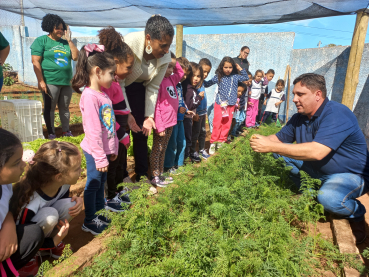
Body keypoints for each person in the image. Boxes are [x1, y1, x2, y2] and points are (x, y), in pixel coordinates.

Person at [250, 73, 369, 245]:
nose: (294, 99)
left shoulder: (336, 113)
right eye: (294, 94)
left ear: (318, 95)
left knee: (329, 199)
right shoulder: (300, 117)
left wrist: (271, 146)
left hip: (350, 175)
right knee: (278, 153)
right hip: (318, 169)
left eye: (300, 94)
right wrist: (258, 140)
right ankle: (310, 193)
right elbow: (277, 140)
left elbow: (317, 152)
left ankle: (356, 213)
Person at [71, 44, 118, 235]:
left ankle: (99, 212)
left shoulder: (102, 94)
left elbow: (109, 125)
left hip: (103, 152)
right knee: (93, 184)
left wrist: (112, 150)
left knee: (101, 182)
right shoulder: (90, 96)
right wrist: (100, 157)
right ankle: (89, 219)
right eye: (111, 73)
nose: (114, 77)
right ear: (98, 71)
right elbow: (93, 130)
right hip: (93, 150)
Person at [11, 141, 83, 263]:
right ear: (59, 176)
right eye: (77, 169)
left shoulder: (63, 184)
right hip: (24, 239)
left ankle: (49, 248)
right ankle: (31, 254)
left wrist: (78, 199)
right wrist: (53, 241)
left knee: (70, 205)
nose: (81, 171)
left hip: (43, 229)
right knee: (49, 216)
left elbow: (61, 201)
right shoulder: (30, 203)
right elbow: (21, 237)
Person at [123, 15, 174, 182]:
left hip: (140, 89)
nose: (167, 50)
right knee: (122, 133)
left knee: (141, 133)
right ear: (148, 38)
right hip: (119, 87)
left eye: (169, 45)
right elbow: (120, 82)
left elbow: (153, 87)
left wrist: (149, 116)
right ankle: (121, 179)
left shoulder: (165, 58)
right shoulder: (129, 43)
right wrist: (127, 113)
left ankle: (142, 175)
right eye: (163, 45)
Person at [98, 26, 136, 212]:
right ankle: (111, 198)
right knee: (112, 164)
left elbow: (121, 107)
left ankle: (118, 192)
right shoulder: (106, 86)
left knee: (120, 162)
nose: (131, 71)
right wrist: (121, 134)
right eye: (128, 67)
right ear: (114, 62)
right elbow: (108, 116)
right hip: (113, 132)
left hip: (120, 131)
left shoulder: (116, 83)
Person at [0, 129, 44, 277]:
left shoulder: (5, 185)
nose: (24, 165)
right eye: (16, 162)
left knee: (33, 234)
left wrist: (8, 224)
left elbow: (5, 209)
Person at [31, 14, 79, 139]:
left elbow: (76, 57)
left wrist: (69, 40)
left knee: (65, 108)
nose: (61, 31)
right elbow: (35, 61)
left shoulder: (66, 43)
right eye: (58, 28)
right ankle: (51, 133)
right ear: (50, 27)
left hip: (66, 82)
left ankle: (66, 131)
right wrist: (41, 81)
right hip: (50, 80)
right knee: (50, 108)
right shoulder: (41, 41)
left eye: (63, 29)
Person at [151, 52, 184, 187]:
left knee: (163, 148)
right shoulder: (157, 82)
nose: (170, 70)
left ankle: (160, 173)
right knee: (157, 149)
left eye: (171, 67)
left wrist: (173, 61)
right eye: (167, 66)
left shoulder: (171, 79)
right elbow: (156, 106)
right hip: (162, 124)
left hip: (171, 122)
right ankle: (154, 175)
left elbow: (180, 72)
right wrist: (160, 126)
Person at [204, 57, 249, 155]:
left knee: (226, 124)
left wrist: (240, 68)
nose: (228, 69)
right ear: (221, 67)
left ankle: (221, 141)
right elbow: (207, 84)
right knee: (217, 123)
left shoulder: (236, 77)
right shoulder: (218, 77)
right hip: (220, 104)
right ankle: (213, 142)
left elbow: (246, 78)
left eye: (230, 67)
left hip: (231, 105)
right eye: (226, 67)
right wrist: (201, 78)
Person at [164, 57, 190, 174]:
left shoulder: (179, 86)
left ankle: (179, 164)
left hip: (180, 119)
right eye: (183, 73)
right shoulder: (171, 83)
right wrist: (174, 61)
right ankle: (169, 166)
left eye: (186, 75)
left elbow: (181, 101)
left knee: (182, 142)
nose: (184, 76)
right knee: (172, 143)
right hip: (172, 119)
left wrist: (186, 109)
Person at [190, 58, 212, 161]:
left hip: (203, 112)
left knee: (203, 132)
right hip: (197, 113)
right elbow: (193, 100)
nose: (206, 74)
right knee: (196, 133)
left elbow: (211, 82)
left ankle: (202, 149)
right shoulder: (195, 84)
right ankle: (193, 151)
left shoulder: (202, 82)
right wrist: (195, 113)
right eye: (204, 71)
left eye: (208, 72)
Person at [183, 62, 205, 162]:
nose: (196, 78)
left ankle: (185, 158)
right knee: (187, 139)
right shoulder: (188, 88)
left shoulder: (191, 88)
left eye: (198, 76)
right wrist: (199, 97)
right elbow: (190, 105)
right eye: (193, 75)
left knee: (187, 138)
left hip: (188, 117)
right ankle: (185, 159)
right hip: (185, 118)